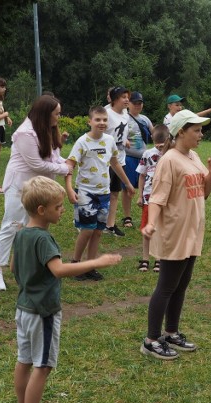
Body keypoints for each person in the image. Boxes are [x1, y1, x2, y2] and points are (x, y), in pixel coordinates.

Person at [12, 175, 122, 403]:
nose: (62, 210)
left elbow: (14, 268)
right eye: (59, 207)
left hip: (24, 308)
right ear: (42, 210)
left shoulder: (21, 234)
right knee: (43, 365)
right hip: (43, 312)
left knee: (25, 360)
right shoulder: (43, 239)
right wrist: (97, 262)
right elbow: (59, 270)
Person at [140, 110, 211, 360]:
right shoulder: (169, 160)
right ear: (181, 132)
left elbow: (203, 193)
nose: (201, 134)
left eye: (200, 129)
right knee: (166, 286)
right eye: (196, 130)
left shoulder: (193, 155)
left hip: (193, 230)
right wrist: (151, 223)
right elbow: (157, 197)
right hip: (174, 232)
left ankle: (171, 332)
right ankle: (151, 340)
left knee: (181, 285)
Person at [0, 95, 72, 292]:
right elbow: (35, 164)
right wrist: (65, 169)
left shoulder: (47, 129)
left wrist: (68, 162)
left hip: (41, 187)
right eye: (56, 114)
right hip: (20, 186)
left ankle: (28, 268)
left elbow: (55, 156)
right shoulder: (25, 133)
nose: (58, 118)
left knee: (37, 228)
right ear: (45, 114)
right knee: (12, 226)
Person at [65, 105, 134, 281]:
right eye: (97, 120)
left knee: (97, 231)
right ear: (90, 122)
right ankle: (76, 264)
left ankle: (91, 266)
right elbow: (69, 165)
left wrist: (127, 183)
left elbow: (115, 163)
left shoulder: (110, 141)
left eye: (104, 120)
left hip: (104, 193)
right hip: (86, 193)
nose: (101, 123)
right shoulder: (82, 142)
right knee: (87, 230)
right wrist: (69, 188)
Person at [136, 124, 169, 273]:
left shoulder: (171, 155)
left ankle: (158, 259)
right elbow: (142, 175)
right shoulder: (148, 154)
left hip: (165, 199)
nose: (160, 147)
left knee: (161, 229)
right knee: (147, 229)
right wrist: (139, 195)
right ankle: (145, 259)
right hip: (149, 198)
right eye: (157, 143)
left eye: (162, 144)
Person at [122, 91, 153, 229]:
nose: (138, 105)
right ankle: (127, 217)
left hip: (144, 159)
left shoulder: (145, 119)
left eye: (140, 103)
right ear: (128, 104)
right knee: (128, 189)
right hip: (128, 158)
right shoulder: (123, 119)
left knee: (146, 187)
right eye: (135, 103)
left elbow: (155, 133)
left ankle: (146, 216)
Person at [104, 86, 130, 237]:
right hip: (106, 161)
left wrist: (124, 140)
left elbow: (119, 132)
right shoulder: (106, 114)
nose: (127, 100)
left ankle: (110, 225)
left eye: (127, 96)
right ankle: (88, 221)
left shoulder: (125, 114)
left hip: (121, 160)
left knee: (115, 193)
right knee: (101, 193)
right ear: (114, 99)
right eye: (123, 97)